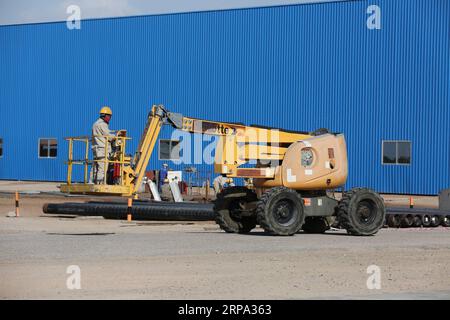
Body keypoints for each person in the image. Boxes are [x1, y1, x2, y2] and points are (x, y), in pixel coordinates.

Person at [90, 106, 114, 184]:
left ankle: (91, 182)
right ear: (105, 116)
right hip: (103, 150)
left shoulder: (95, 124)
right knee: (102, 168)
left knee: (95, 167)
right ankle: (100, 184)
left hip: (96, 149)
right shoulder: (102, 124)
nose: (110, 118)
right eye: (109, 116)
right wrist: (117, 136)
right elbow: (108, 136)